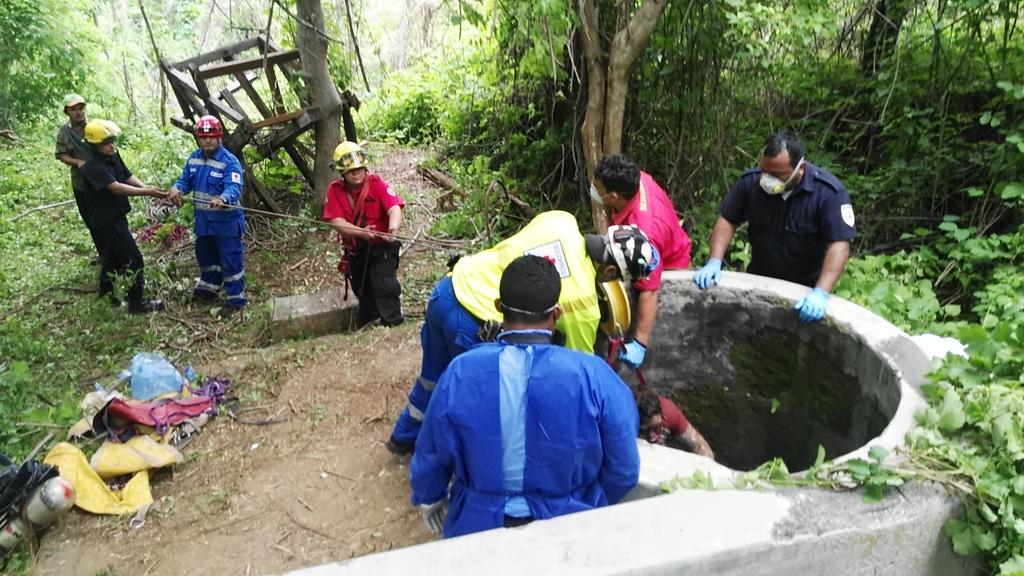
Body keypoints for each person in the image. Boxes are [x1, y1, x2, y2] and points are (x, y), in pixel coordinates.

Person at [386, 210, 659, 456]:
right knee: (482, 402)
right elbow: (576, 373)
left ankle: (403, 438)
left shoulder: (562, 220)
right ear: (611, 270)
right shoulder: (584, 304)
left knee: (432, 378)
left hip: (451, 287)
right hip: (475, 318)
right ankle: (456, 465)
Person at [410, 255, 640, 538]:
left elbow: (431, 451)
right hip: (570, 529)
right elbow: (625, 468)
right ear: (557, 313)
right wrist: (589, 504)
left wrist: (430, 496)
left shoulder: (460, 372)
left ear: (497, 308)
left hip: (478, 528)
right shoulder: (594, 376)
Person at [692, 131, 857, 323]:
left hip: (804, 290)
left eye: (777, 175)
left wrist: (820, 292)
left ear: (800, 169)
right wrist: (715, 260)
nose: (768, 179)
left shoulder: (828, 194)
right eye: (765, 171)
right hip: (758, 281)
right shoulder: (751, 184)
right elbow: (727, 219)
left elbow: (839, 245)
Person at [592, 154, 692, 368]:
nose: (594, 189)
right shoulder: (638, 180)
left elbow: (650, 288)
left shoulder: (645, 235)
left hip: (670, 262)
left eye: (598, 188)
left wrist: (639, 342)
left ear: (615, 196)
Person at [80, 120, 166, 314]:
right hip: (105, 220)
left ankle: (106, 294)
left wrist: (146, 187)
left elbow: (126, 176)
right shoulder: (92, 167)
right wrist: (149, 193)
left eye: (112, 141)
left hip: (117, 216)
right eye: (106, 143)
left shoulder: (113, 155)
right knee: (134, 259)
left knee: (112, 257)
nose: (111, 146)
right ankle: (136, 303)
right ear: (94, 145)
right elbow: (116, 188)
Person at [167, 116, 247, 319]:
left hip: (226, 224)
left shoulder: (229, 162)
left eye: (212, 137)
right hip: (204, 223)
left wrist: (223, 198)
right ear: (198, 138)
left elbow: (234, 187)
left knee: (230, 262)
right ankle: (209, 289)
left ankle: (235, 300)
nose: (208, 141)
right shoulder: (194, 159)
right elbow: (185, 180)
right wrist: (177, 189)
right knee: (206, 258)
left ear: (219, 137)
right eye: (203, 137)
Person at [323, 141, 404, 327]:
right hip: (357, 248)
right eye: (351, 170)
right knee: (362, 288)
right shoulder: (335, 191)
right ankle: (370, 322)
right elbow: (336, 221)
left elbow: (394, 207)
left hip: (382, 245)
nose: (356, 172)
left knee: (385, 283)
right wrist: (361, 233)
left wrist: (393, 229)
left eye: (359, 168)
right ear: (342, 172)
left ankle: (392, 322)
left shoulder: (377, 184)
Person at [55, 93, 103, 259]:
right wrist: (77, 162)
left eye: (80, 108)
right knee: (90, 220)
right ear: (67, 112)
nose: (78, 112)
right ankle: (103, 253)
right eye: (73, 109)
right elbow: (61, 154)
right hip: (80, 183)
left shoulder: (94, 127)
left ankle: (113, 253)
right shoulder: (64, 132)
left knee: (105, 219)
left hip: (101, 181)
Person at [636, 390, 715, 459]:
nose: (652, 436)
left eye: (657, 427)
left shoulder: (669, 412)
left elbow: (699, 444)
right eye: (646, 430)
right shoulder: (627, 422)